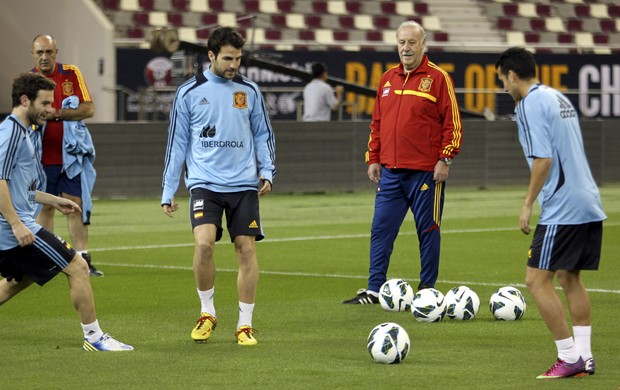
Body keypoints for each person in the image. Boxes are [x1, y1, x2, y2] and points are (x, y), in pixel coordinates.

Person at [0, 72, 133, 352]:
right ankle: (95, 338)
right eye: (45, 103)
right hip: (14, 228)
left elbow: (19, 188)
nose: (51, 110)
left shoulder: (24, 132)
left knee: (17, 281)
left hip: (16, 224)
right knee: (78, 266)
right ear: (25, 100)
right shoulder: (11, 132)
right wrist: (16, 225)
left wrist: (53, 200)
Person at [161, 27, 276, 346]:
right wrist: (168, 190)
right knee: (204, 245)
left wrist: (267, 170)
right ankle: (207, 312)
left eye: (238, 58)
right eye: (228, 58)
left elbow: (263, 134)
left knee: (247, 250)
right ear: (210, 56)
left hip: (243, 185)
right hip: (204, 184)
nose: (234, 64)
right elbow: (177, 143)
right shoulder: (188, 92)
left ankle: (245, 324)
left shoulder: (250, 91)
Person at [495, 47, 605, 379]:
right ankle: (584, 357)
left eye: (502, 80)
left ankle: (568, 356)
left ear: (512, 76)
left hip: (563, 206)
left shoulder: (529, 104)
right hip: (589, 201)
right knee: (569, 277)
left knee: (536, 280)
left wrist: (528, 203)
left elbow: (543, 159)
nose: (502, 87)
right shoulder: (557, 98)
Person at [343, 21, 463, 304]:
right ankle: (374, 290)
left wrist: (445, 158)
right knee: (381, 229)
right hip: (390, 173)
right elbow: (377, 123)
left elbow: (453, 124)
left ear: (423, 45)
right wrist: (373, 158)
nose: (406, 48)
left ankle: (427, 292)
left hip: (425, 174)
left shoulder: (438, 78)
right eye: (401, 43)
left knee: (428, 231)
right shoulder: (387, 79)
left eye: (412, 42)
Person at [30, 34, 102, 277]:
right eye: (39, 52)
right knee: (46, 208)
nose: (44, 57)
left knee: (75, 206)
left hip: (70, 156)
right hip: (42, 158)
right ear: (33, 55)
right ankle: (43, 259)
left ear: (56, 52)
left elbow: (88, 109)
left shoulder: (70, 73)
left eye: (48, 52)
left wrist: (57, 113)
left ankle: (83, 259)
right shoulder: (28, 81)